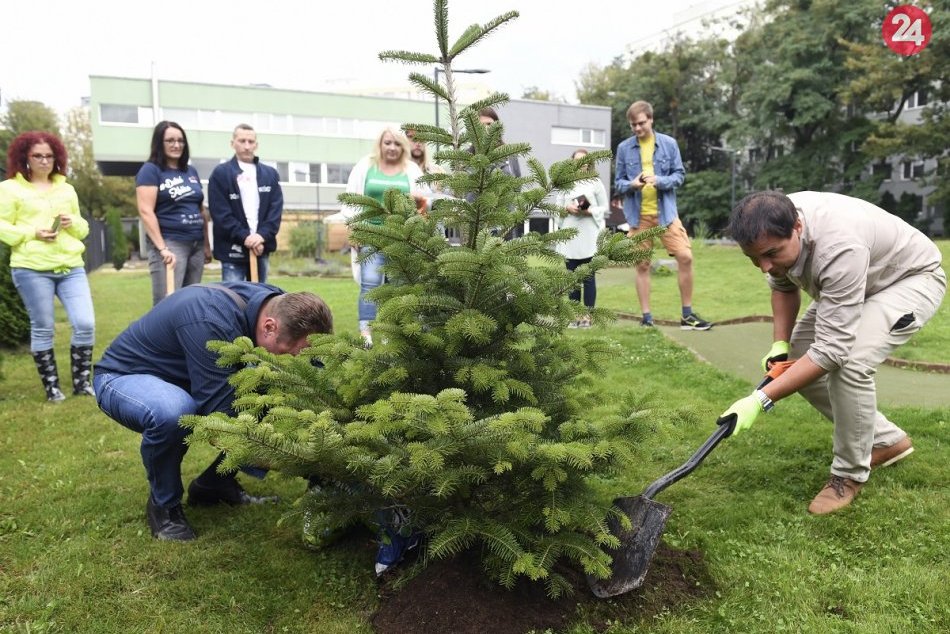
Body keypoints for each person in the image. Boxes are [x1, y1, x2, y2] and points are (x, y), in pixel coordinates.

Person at [720, 190, 946, 515]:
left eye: (771, 254)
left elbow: (831, 352)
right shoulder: (772, 224)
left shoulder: (838, 246)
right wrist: (781, 345)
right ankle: (885, 440)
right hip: (859, 280)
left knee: (849, 364)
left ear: (797, 226)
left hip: (907, 280)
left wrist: (760, 400)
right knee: (799, 360)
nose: (764, 267)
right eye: (754, 258)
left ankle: (848, 475)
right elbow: (783, 287)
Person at [93, 282, 334, 540]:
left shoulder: (280, 304)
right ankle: (164, 508)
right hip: (125, 378)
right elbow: (224, 424)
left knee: (270, 383)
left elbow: (314, 368)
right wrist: (304, 462)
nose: (297, 361)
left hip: (186, 376)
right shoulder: (209, 320)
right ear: (269, 327)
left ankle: (214, 485)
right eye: (294, 354)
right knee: (174, 411)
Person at [0, 131, 96, 402]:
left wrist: (71, 223)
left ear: (57, 157)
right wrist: (33, 232)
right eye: (37, 156)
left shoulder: (66, 189)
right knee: (43, 326)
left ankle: (81, 383)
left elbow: (82, 228)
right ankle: (52, 387)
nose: (44, 161)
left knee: (85, 323)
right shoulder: (9, 189)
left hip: (70, 266)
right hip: (31, 268)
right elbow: (2, 226)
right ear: (25, 158)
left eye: (49, 156)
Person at [615, 101, 711, 330]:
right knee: (642, 265)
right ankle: (646, 317)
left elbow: (679, 176)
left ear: (651, 119)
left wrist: (660, 180)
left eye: (641, 123)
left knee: (685, 257)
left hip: (666, 214)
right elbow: (618, 184)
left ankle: (687, 315)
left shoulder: (669, 144)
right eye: (633, 125)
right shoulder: (623, 148)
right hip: (638, 217)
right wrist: (633, 184)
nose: (637, 128)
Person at [332, 127, 426, 345]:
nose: (392, 148)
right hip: (371, 236)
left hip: (400, 238)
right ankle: (366, 334)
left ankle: (390, 331)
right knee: (370, 284)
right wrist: (354, 228)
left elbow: (424, 202)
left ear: (403, 147)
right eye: (387, 143)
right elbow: (350, 199)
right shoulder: (366, 166)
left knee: (398, 285)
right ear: (380, 144)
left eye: (396, 144)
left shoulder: (411, 170)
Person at [136, 121, 211, 306]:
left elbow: (201, 210)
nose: (176, 145)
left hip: (196, 245)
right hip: (171, 244)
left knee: (190, 302)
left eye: (180, 140)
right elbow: (146, 211)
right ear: (159, 143)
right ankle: (161, 337)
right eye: (170, 140)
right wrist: (162, 248)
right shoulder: (150, 170)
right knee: (167, 305)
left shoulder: (190, 171)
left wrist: (207, 245)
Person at [208, 124, 283, 283]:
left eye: (251, 141)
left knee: (260, 299)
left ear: (256, 144)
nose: (247, 146)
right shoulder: (221, 174)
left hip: (260, 248)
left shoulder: (270, 174)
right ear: (232, 143)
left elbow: (275, 211)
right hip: (232, 250)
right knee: (232, 300)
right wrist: (246, 237)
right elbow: (221, 214)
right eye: (242, 141)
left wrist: (261, 236)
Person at [555, 149, 608, 328]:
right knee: (572, 279)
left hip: (589, 236)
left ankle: (588, 316)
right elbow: (557, 210)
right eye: (577, 160)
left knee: (588, 277)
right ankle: (574, 315)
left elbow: (604, 208)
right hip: (570, 237)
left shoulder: (596, 183)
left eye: (584, 160)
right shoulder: (565, 184)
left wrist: (589, 210)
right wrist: (567, 209)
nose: (581, 163)